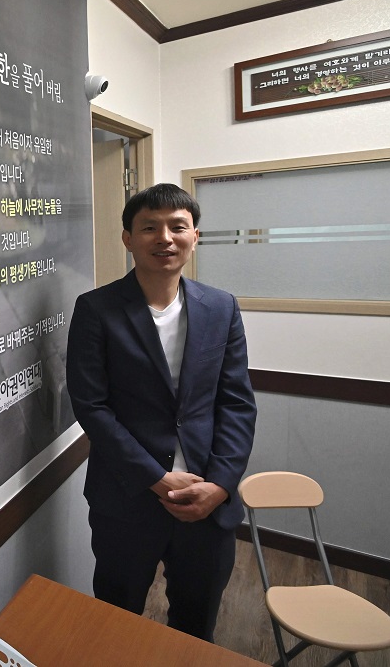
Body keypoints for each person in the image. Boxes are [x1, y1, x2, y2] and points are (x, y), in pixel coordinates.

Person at [65, 183, 256, 642]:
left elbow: (236, 402)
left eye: (178, 227)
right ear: (128, 238)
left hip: (207, 503)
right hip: (128, 499)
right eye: (149, 227)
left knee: (196, 626)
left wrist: (221, 485)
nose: (164, 238)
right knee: (117, 619)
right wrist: (156, 476)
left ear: (195, 237)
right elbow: (92, 407)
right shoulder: (96, 309)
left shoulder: (221, 307)